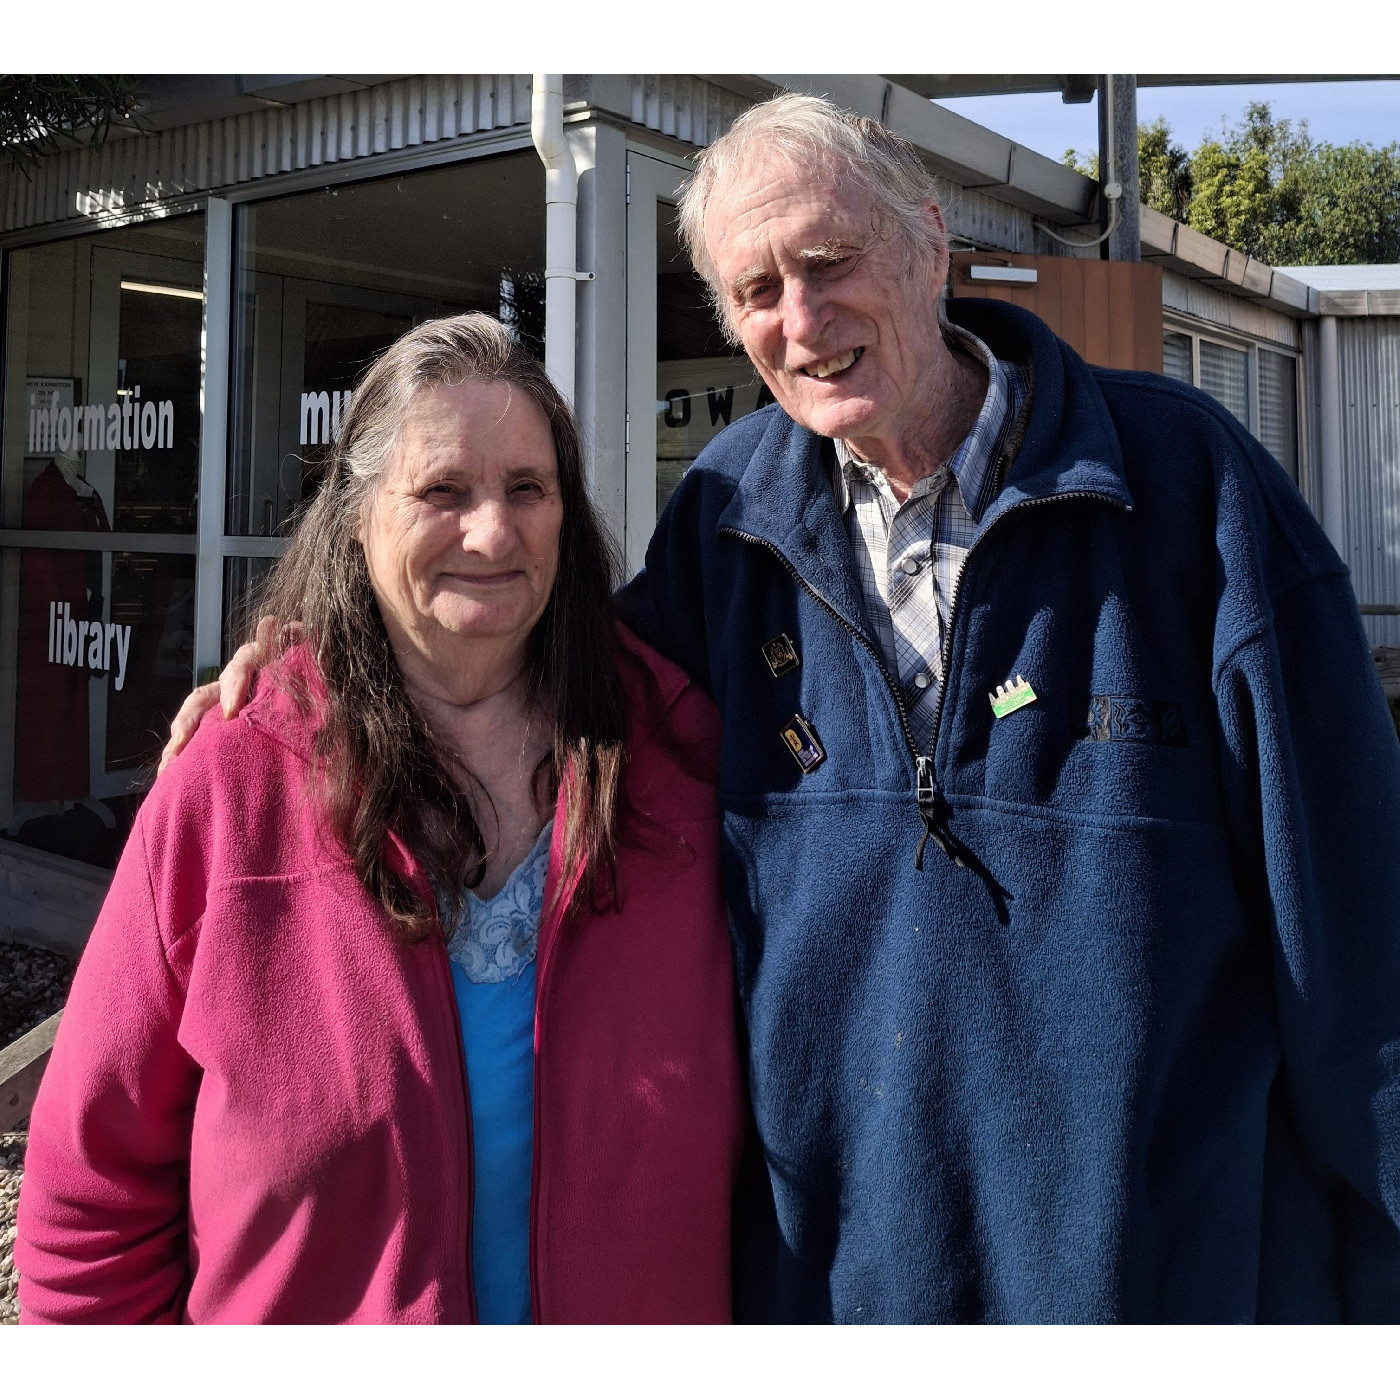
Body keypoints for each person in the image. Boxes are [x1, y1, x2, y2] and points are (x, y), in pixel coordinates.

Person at [158, 95, 1400, 1324]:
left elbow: (1360, 942)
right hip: (840, 1296)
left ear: (926, 239)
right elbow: (539, 673)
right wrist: (327, 651)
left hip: (1160, 1290)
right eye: (756, 291)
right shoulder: (731, 515)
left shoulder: (1189, 489)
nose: (799, 321)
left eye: (827, 262)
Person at [16, 314, 745, 1324]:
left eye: (525, 489)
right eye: (442, 490)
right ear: (356, 516)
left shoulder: (680, 759)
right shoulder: (231, 789)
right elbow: (90, 1200)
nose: (491, 531)